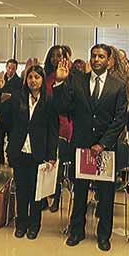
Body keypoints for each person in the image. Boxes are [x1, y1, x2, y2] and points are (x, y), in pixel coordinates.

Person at [53, 44, 128, 252]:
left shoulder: (119, 85)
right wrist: (59, 82)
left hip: (105, 148)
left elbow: (120, 119)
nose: (96, 59)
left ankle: (104, 235)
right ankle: (76, 231)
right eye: (93, 56)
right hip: (82, 146)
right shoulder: (77, 81)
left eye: (101, 56)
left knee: (105, 195)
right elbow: (63, 108)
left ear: (109, 61)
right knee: (80, 192)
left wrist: (103, 143)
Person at [0, 65, 58, 239]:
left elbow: (53, 130)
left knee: (36, 192)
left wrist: (51, 156)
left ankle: (35, 225)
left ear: (42, 80)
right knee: (22, 190)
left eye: (37, 77)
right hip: (19, 151)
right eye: (30, 77)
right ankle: (21, 224)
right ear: (26, 79)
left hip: (39, 153)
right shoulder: (17, 98)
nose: (33, 81)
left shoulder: (49, 100)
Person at [44, 45, 74, 213]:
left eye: (59, 56)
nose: (56, 59)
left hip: (62, 126)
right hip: (46, 126)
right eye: (53, 56)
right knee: (44, 162)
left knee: (58, 165)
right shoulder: (45, 77)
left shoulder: (70, 78)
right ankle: (43, 196)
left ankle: (55, 197)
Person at [0, 59, 23, 165]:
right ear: (6, 67)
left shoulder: (19, 82)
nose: (10, 70)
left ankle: (11, 158)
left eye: (13, 69)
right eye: (9, 68)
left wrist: (11, 96)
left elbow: (20, 96)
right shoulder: (0, 79)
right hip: (1, 114)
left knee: (11, 139)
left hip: (12, 115)